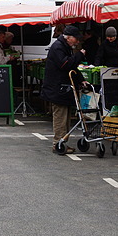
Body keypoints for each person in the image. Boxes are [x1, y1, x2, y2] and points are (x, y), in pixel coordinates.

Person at [40, 25, 87, 155]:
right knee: (60, 116)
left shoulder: (63, 46)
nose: (77, 41)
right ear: (69, 37)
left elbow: (71, 67)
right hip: (57, 88)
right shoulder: (58, 47)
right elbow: (65, 64)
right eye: (76, 39)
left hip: (62, 88)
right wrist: (79, 55)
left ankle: (62, 142)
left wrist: (81, 79)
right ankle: (58, 143)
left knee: (65, 116)